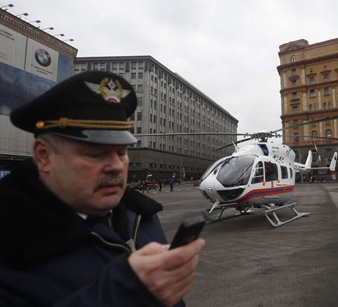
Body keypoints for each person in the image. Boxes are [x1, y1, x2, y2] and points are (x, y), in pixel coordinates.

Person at [0, 71, 205, 306]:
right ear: (44, 155)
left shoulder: (139, 216)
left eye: (122, 152)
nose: (116, 166)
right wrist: (125, 293)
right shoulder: (10, 242)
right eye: (96, 154)